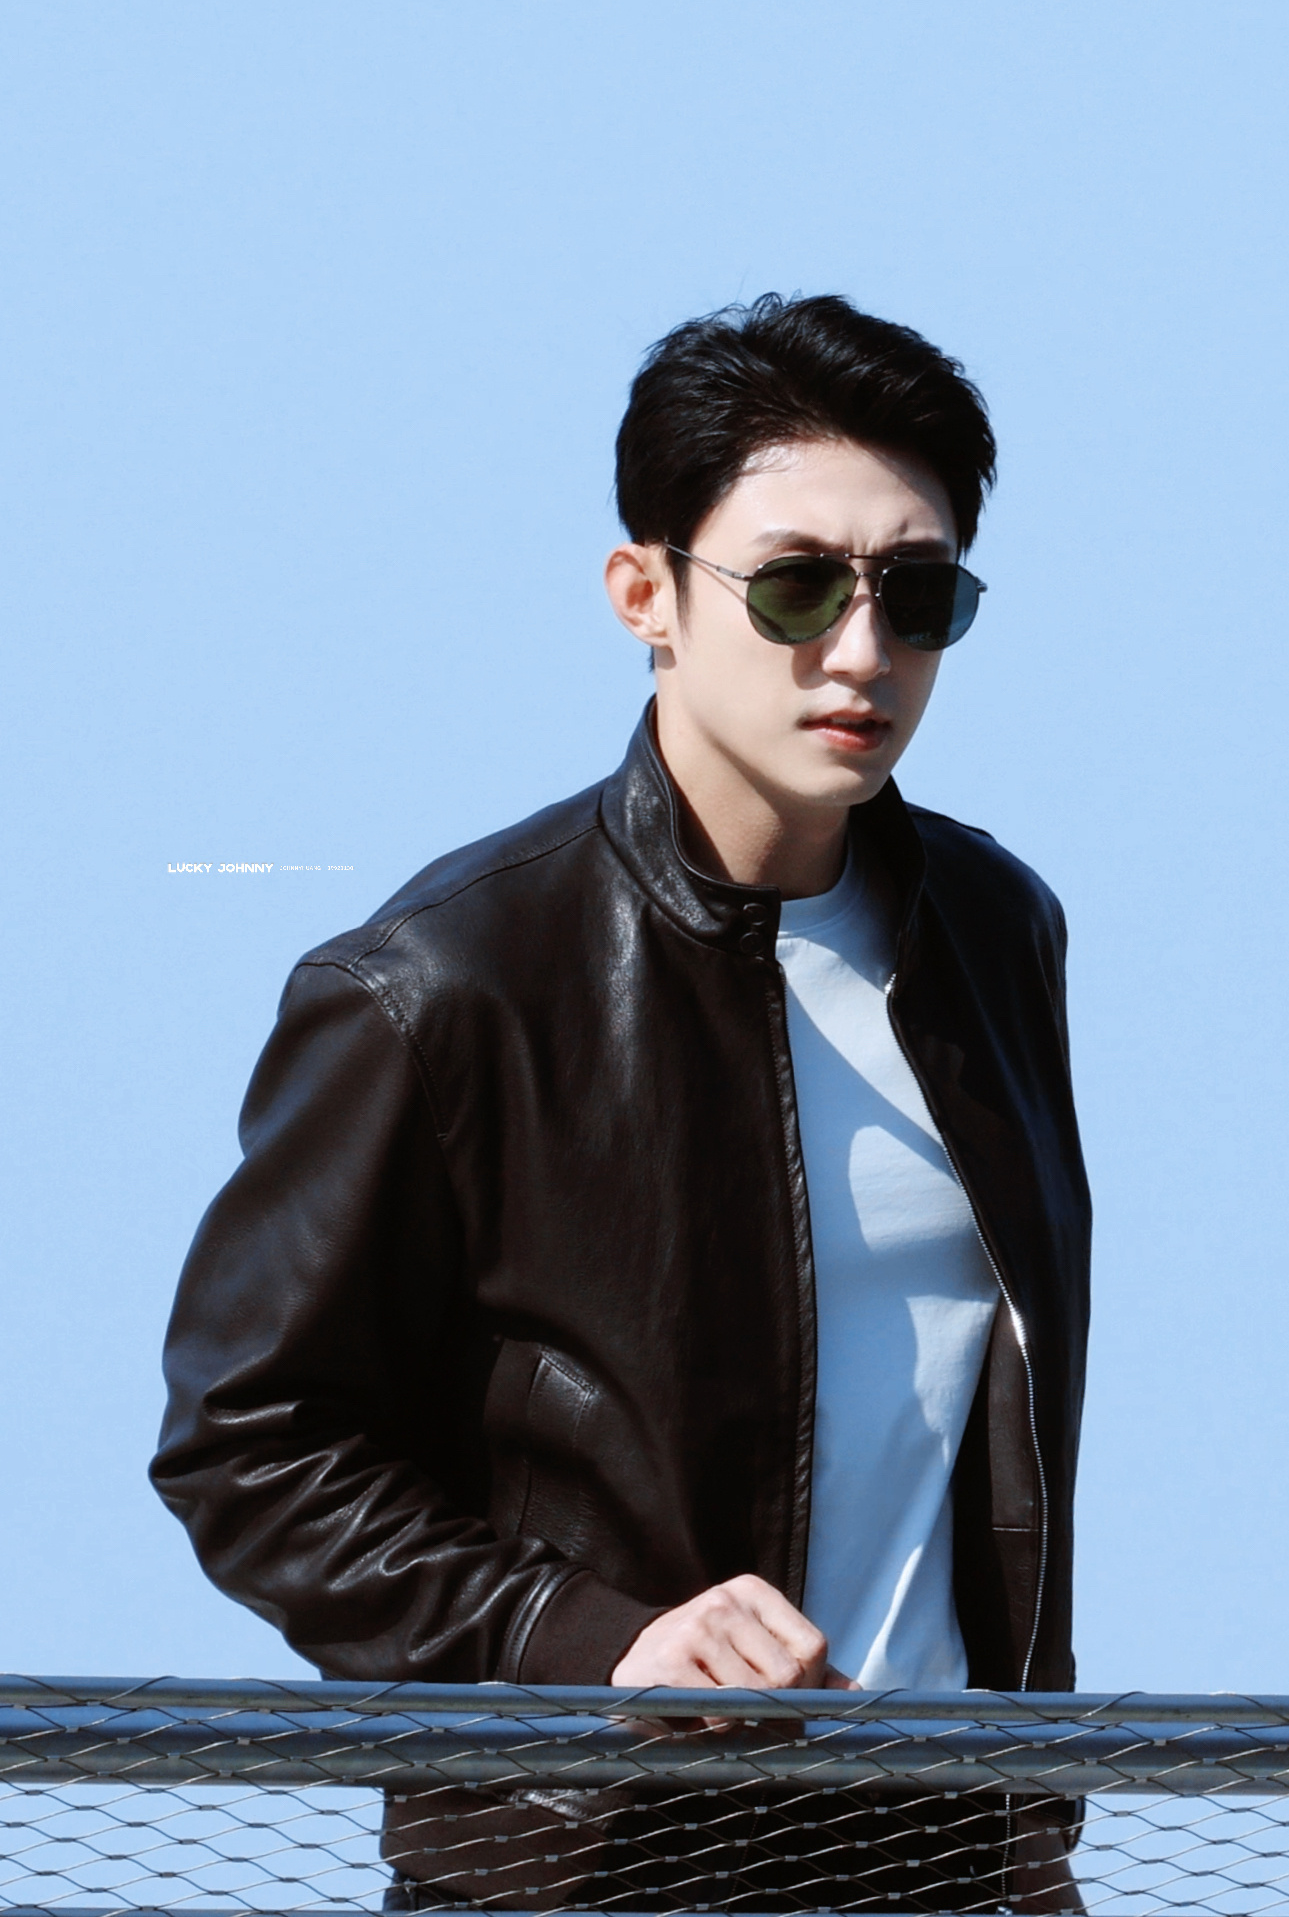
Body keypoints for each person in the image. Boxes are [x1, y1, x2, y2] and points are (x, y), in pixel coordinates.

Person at [152, 294, 1091, 1913]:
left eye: (917, 593)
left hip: (935, 1857)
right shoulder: (444, 981)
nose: (859, 650)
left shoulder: (994, 936)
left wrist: (1018, 1840)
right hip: (591, 1862)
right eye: (796, 584)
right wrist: (594, 1642)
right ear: (644, 593)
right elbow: (247, 1445)